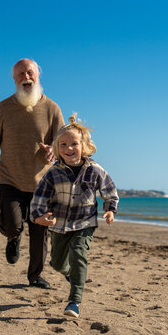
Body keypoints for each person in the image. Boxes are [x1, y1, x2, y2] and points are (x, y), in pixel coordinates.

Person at [0, 58, 64, 289]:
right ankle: (13, 237)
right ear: (14, 79)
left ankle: (35, 277)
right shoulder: (3, 108)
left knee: (40, 234)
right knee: (11, 225)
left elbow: (64, 141)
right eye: (20, 74)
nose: (26, 77)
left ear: (38, 75)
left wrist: (54, 150)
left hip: (43, 184)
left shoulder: (52, 109)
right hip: (10, 180)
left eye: (30, 73)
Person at [30, 114, 119, 317]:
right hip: (59, 225)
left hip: (85, 223)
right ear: (56, 148)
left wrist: (110, 209)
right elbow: (39, 198)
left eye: (74, 144)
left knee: (79, 255)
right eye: (63, 145)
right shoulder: (53, 173)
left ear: (84, 146)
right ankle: (70, 274)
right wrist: (38, 217)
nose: (69, 148)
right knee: (58, 264)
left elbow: (110, 191)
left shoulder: (95, 170)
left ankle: (74, 302)